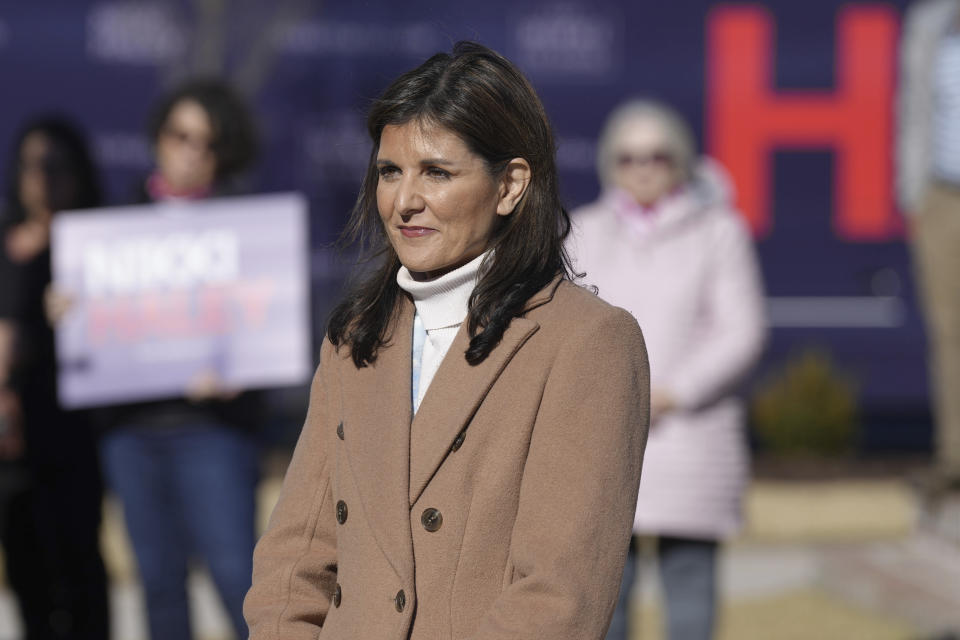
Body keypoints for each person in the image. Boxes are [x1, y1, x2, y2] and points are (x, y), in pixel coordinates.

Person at [244, 42, 651, 640]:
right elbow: (294, 559)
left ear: (511, 185)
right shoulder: (357, 337)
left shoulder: (589, 344)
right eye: (389, 172)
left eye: (436, 172)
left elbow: (557, 598)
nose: (405, 200)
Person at [569, 101, 766, 640]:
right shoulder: (581, 231)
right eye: (629, 157)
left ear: (679, 160)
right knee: (605, 598)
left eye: (656, 155)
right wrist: (608, 397)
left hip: (692, 437)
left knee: (691, 594)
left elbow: (741, 332)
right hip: (602, 439)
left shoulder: (718, 231)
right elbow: (564, 329)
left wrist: (673, 394)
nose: (643, 168)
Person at [93, 78, 262, 640]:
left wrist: (247, 365)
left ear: (224, 152)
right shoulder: (110, 227)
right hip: (132, 434)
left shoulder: (248, 227)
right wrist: (67, 306)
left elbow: (270, 328)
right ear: (158, 136)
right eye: (179, 135)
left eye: (206, 142)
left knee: (241, 583)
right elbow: (91, 337)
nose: (190, 151)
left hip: (212, 429)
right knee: (159, 588)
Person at [0, 117, 110, 639]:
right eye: (31, 165)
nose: (42, 178)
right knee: (26, 572)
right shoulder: (3, 243)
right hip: (8, 442)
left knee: (80, 566)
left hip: (72, 434)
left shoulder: (99, 251)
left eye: (56, 166)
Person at [898, 0, 960, 494]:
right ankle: (954, 456)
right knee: (948, 331)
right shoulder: (930, 21)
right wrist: (913, 194)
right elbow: (913, 108)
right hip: (942, 193)